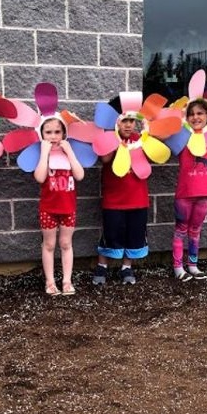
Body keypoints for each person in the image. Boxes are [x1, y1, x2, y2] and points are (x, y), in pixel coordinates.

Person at [93, 113, 150, 285]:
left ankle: (126, 267)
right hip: (114, 200)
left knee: (134, 234)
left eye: (132, 121)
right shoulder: (110, 139)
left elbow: (153, 154)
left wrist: (147, 133)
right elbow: (105, 158)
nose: (128, 125)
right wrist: (115, 140)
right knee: (110, 234)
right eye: (124, 121)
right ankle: (102, 265)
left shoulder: (141, 139)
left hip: (138, 199)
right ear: (116, 122)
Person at [33, 117, 85, 295]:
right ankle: (49, 282)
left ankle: (67, 281)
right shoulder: (44, 156)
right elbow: (39, 178)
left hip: (68, 208)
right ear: (42, 134)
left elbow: (79, 175)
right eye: (48, 132)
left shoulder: (67, 155)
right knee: (48, 245)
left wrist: (69, 152)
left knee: (66, 243)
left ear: (64, 134)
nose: (53, 136)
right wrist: (44, 153)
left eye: (57, 132)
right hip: (48, 209)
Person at [173, 99, 207, 281]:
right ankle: (178, 267)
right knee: (180, 230)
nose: (195, 117)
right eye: (191, 114)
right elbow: (162, 134)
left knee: (196, 230)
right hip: (185, 194)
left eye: (200, 113)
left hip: (206, 193)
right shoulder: (182, 136)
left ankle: (193, 265)